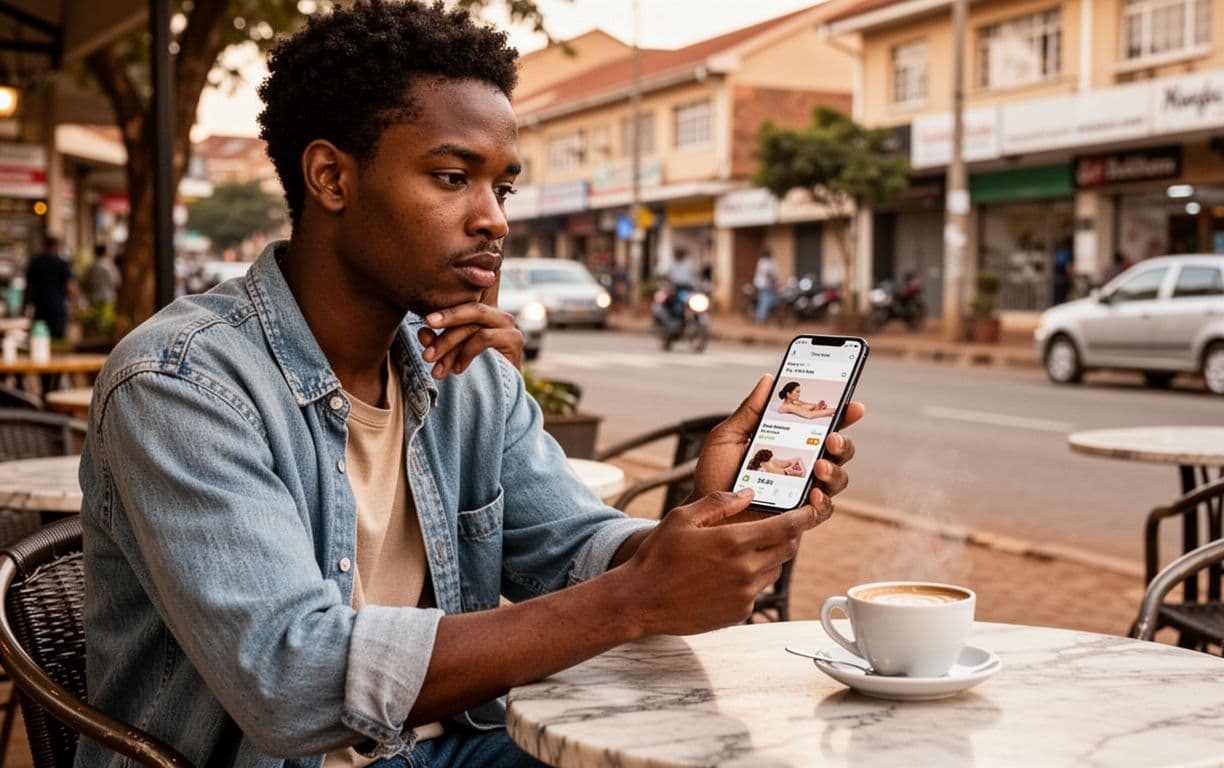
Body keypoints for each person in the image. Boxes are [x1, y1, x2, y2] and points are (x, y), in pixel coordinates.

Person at [76, 4, 862, 768]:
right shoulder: (181, 384)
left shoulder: (465, 369)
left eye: (503, 188)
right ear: (331, 178)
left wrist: (706, 526)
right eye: (453, 177)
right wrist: (640, 599)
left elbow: (574, 548)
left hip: (442, 747)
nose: (494, 220)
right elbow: (292, 680)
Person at [24, 234, 75, 339]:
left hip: (39, 306)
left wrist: (25, 305)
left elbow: (28, 286)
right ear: (56, 246)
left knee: (41, 337)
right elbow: (69, 287)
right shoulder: (62, 263)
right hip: (57, 306)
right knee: (57, 338)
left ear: (44, 245)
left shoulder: (35, 262)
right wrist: (74, 302)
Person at [86, 243, 121, 309]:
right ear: (105, 252)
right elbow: (116, 280)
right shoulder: (109, 265)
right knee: (107, 318)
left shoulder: (92, 266)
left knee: (96, 317)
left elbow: (88, 281)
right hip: (108, 296)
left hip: (94, 296)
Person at [753, 249, 778, 324]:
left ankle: (761, 317)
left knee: (763, 301)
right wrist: (774, 281)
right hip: (765, 285)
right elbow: (769, 274)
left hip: (761, 284)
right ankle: (761, 319)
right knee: (765, 301)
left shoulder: (761, 261)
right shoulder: (768, 263)